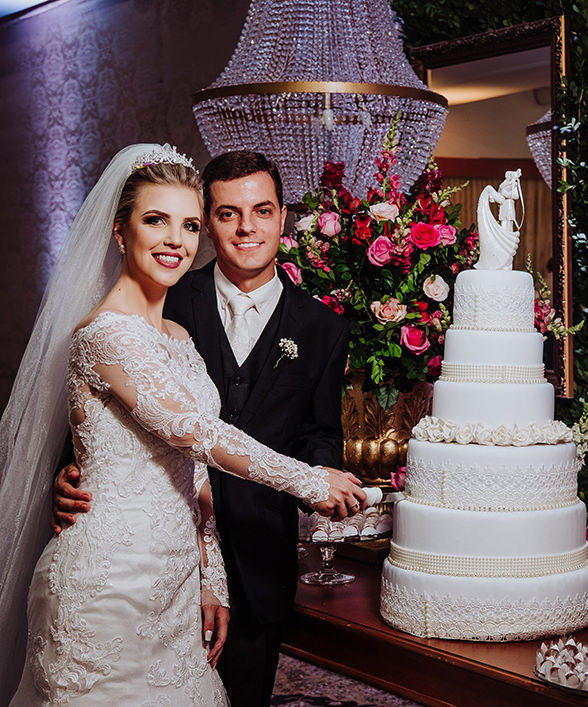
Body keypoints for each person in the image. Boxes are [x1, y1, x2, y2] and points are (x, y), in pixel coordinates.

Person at [0, 144, 365, 705]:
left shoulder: (180, 337)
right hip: (110, 581)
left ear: (281, 218)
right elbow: (193, 432)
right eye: (156, 220)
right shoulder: (109, 333)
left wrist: (209, 578)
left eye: (186, 224)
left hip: (194, 577)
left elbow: (194, 471)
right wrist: (309, 482)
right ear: (120, 232)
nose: (175, 238)